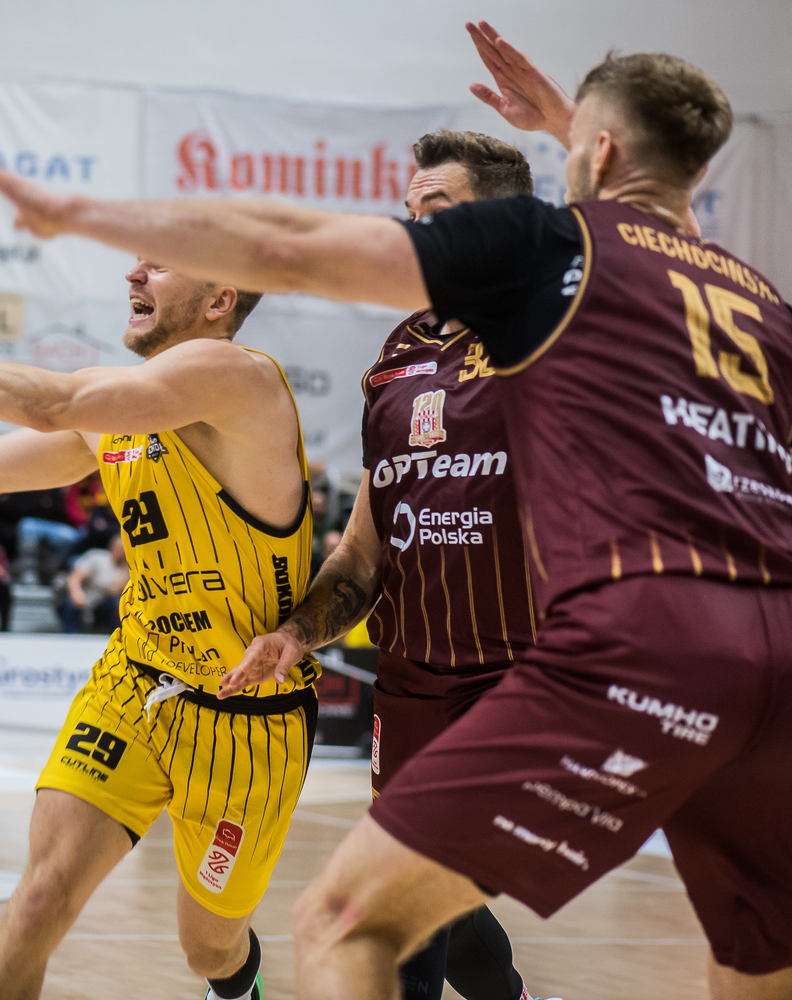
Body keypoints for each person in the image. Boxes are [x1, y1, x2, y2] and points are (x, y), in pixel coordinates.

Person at [0, 20, 792, 999]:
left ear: (593, 151)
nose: (421, 222)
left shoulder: (541, 255)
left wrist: (74, 212)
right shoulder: (755, 301)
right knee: (753, 978)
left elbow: (288, 246)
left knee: (346, 923)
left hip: (640, 634)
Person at [0, 245, 316, 1000]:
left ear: (220, 301)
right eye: (137, 262)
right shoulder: (116, 415)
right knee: (39, 900)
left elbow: (51, 402)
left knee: (208, 947)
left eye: (159, 264)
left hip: (247, 715)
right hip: (137, 682)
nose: (133, 274)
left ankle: (234, 983)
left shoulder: (239, 378)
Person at [226, 128, 536, 1000]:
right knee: (442, 904)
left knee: (396, 889)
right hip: (411, 682)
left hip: (524, 678)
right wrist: (298, 633)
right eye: (408, 213)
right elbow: (362, 553)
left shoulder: (556, 334)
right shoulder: (396, 358)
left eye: (436, 210)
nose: (411, 230)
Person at [59, 533, 128, 634]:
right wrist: (77, 593)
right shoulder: (97, 558)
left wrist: (124, 568)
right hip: (85, 598)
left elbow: (114, 591)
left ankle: (118, 636)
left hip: (103, 603)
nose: (121, 551)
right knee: (72, 602)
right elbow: (75, 578)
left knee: (117, 604)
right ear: (113, 546)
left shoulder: (127, 568)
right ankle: (69, 635)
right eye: (120, 548)